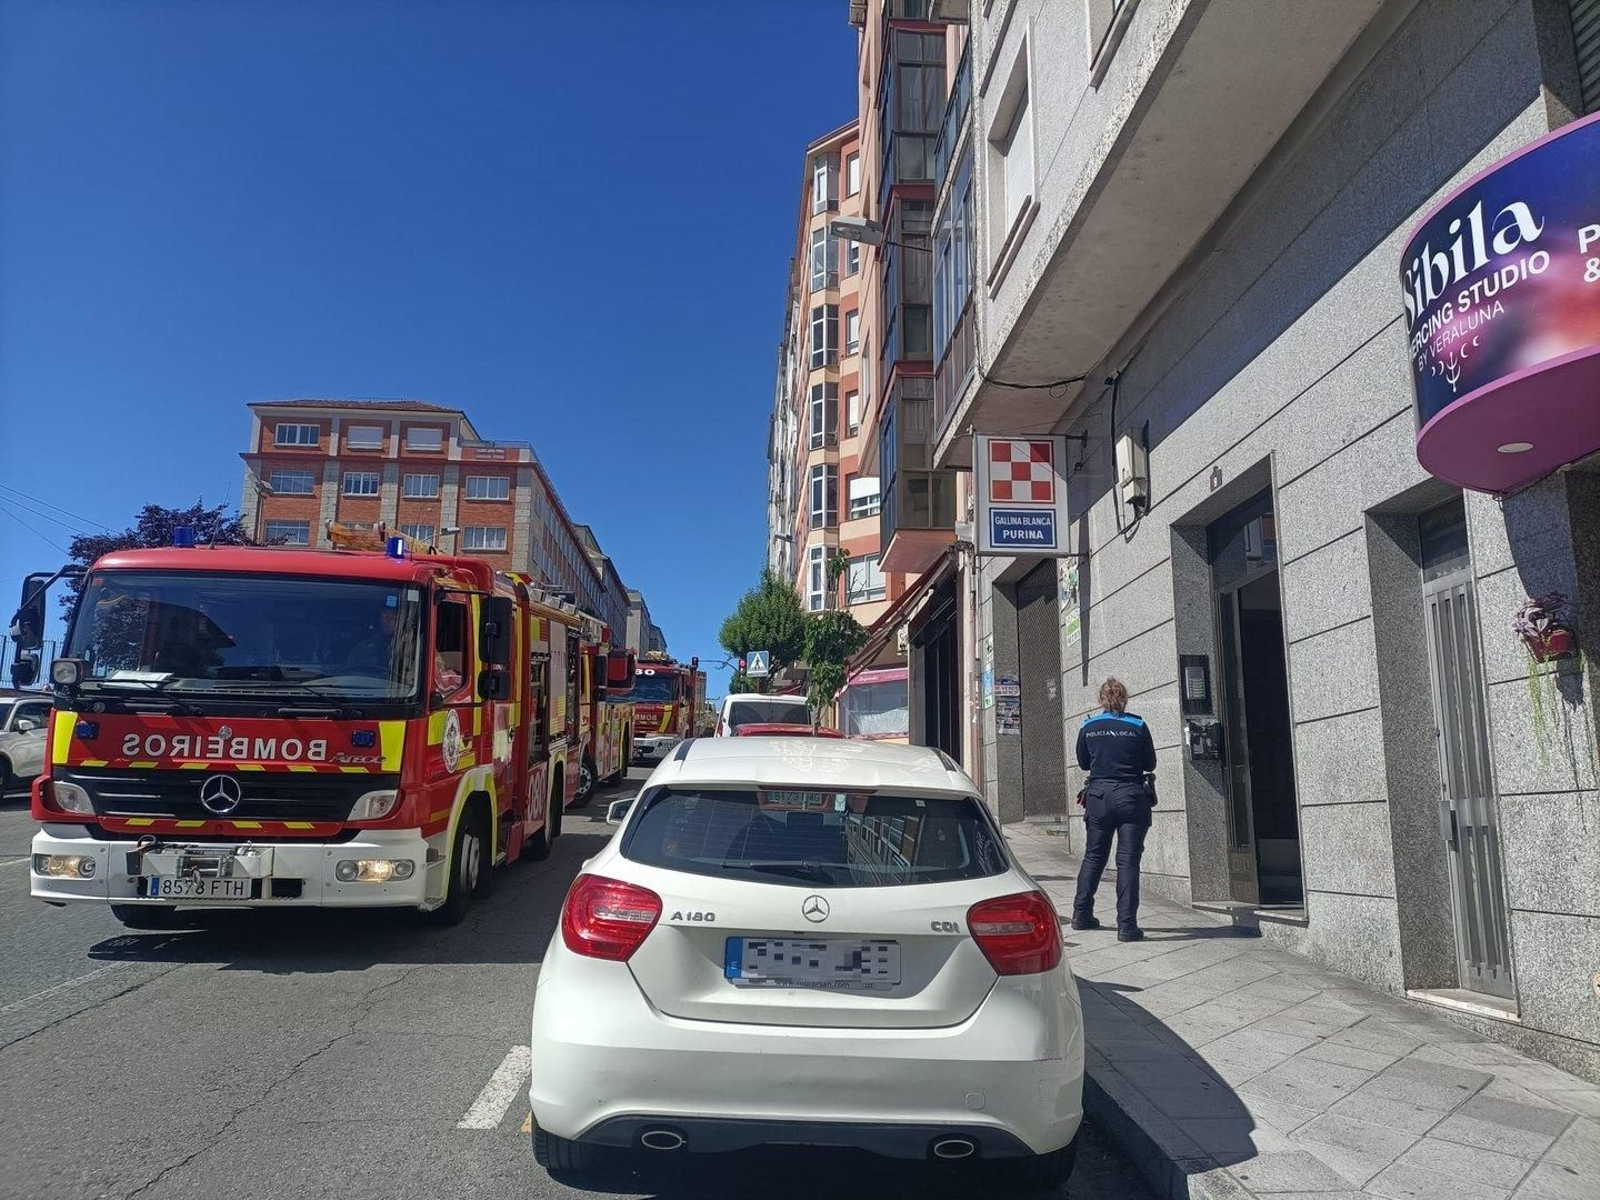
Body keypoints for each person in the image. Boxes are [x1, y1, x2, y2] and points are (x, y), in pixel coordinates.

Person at [1071, 677, 1158, 942]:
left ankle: (1081, 914)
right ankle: (1127, 926)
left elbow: (1084, 763)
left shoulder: (1089, 726)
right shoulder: (1138, 724)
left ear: (1101, 700)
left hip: (1099, 796)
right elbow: (1150, 763)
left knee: (1094, 856)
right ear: (1125, 699)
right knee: (1128, 862)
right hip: (1131, 795)